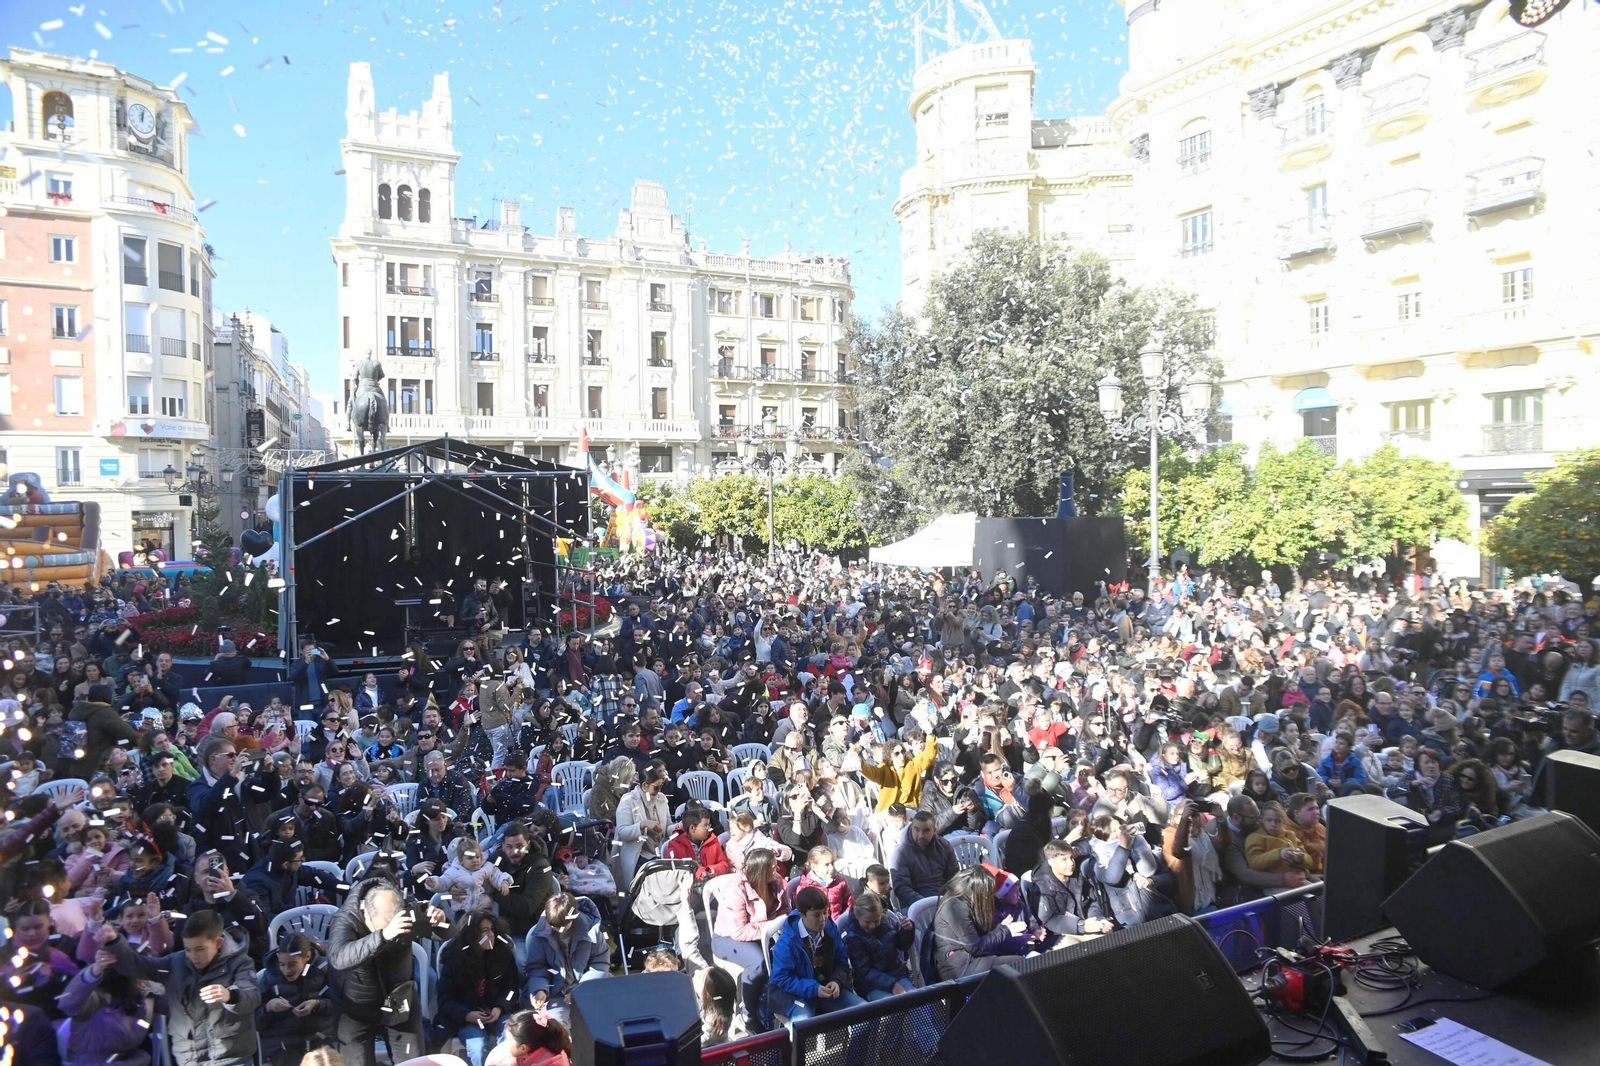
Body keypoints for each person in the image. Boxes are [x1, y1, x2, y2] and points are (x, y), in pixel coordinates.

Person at [100, 908, 261, 1066]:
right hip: (189, 1058)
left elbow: (251, 995)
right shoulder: (176, 962)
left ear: (218, 943)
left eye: (200, 949)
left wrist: (230, 995)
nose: (193, 956)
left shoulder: (241, 964)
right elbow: (140, 966)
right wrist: (114, 943)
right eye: (188, 949)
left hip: (231, 1058)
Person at [325, 877, 450, 1066]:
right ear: (366, 913)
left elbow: (450, 934)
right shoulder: (345, 919)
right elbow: (338, 957)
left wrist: (442, 922)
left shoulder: (407, 910)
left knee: (414, 1062)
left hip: (399, 1002)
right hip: (356, 1008)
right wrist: (383, 936)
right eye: (385, 924)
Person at [710, 847, 789, 1022]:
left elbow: (784, 910)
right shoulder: (735, 890)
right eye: (773, 867)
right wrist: (769, 928)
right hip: (727, 938)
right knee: (758, 962)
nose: (777, 871)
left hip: (763, 933)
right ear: (761, 870)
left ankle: (781, 1006)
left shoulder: (775, 881)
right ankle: (749, 1014)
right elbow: (738, 931)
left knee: (788, 953)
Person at [58, 926, 155, 1066]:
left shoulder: (148, 993)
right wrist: (95, 970)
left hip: (129, 1060)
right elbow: (68, 1004)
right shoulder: (97, 996)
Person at [438, 911, 523, 1066]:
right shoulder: (454, 960)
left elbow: (512, 989)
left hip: (498, 1013)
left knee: (512, 1039)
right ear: (472, 935)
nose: (490, 934)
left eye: (492, 929)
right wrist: (466, 1015)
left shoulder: (502, 953)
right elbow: (444, 1001)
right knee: (478, 1047)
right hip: (467, 1019)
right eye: (485, 931)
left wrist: (501, 1006)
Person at [769, 886, 866, 1020]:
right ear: (802, 915)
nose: (823, 919)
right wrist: (814, 989)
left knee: (865, 1011)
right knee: (804, 1026)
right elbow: (782, 978)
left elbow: (842, 961)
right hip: (796, 995)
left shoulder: (831, 931)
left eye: (825, 912)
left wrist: (836, 981)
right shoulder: (787, 943)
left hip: (826, 989)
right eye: (816, 915)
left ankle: (857, 1042)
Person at [523, 893, 609, 1025]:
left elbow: (600, 963)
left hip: (589, 988)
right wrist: (540, 989)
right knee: (555, 1025)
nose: (558, 930)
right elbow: (537, 968)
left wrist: (581, 990)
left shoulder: (592, 931)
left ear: (573, 918)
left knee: (603, 1018)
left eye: (563, 925)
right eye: (553, 925)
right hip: (556, 993)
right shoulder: (539, 935)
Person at [930, 866, 1028, 982]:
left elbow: (985, 935)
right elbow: (975, 947)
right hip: (958, 965)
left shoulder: (968, 899)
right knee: (1020, 965)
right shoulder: (955, 907)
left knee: (1022, 960)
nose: (990, 896)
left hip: (971, 957)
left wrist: (1015, 937)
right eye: (989, 892)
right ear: (980, 890)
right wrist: (1004, 930)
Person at [255, 933, 337, 1066]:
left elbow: (340, 1004)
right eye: (282, 964)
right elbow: (254, 1021)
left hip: (319, 1038)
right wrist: (268, 1008)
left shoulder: (324, 969)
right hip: (281, 1044)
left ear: (307, 957)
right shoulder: (268, 977)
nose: (286, 970)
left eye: (293, 965)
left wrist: (317, 1004)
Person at [1029, 838, 1115, 945]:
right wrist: (1082, 926)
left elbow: (1091, 903)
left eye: (1071, 858)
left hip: (1081, 925)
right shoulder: (1042, 885)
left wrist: (1098, 920)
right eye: (1064, 859)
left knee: (1107, 936)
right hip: (1056, 934)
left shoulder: (1077, 876)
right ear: (1051, 862)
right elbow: (1049, 920)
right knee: (1072, 946)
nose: (1071, 863)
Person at [836, 891, 912, 1000]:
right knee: (893, 1007)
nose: (872, 926)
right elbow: (864, 971)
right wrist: (892, 985)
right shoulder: (853, 937)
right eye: (867, 922)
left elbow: (902, 946)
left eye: (876, 921)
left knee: (915, 1000)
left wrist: (906, 931)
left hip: (896, 973)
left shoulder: (886, 923)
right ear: (857, 917)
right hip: (870, 984)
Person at [889, 810, 959, 909]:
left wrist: (948, 898)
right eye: (916, 830)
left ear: (934, 830)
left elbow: (954, 877)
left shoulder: (945, 846)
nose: (920, 835)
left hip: (945, 902)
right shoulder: (900, 853)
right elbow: (902, 888)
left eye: (926, 831)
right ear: (911, 827)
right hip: (915, 906)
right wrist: (925, 904)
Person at [662, 806, 733, 881]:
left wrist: (713, 869)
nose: (709, 829)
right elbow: (674, 871)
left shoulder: (712, 840)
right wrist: (699, 872)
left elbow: (724, 864)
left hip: (711, 883)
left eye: (709, 825)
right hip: (688, 886)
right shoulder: (675, 845)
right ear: (692, 828)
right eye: (706, 826)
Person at [484, 1008, 572, 1066]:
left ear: (523, 1048)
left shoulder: (553, 1063)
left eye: (509, 1040)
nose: (506, 1044)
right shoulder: (538, 1044)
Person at [797, 844, 853, 920]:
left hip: (838, 925)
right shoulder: (805, 887)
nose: (831, 868)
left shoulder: (840, 881)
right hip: (816, 926)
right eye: (826, 865)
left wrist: (843, 921)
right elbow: (803, 913)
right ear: (814, 867)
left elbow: (849, 904)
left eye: (832, 863)